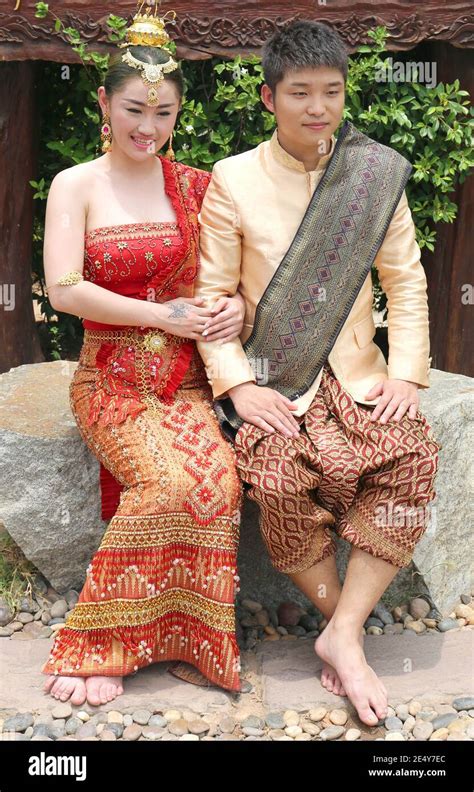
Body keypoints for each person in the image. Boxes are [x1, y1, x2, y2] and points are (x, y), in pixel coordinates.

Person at [195, 20, 441, 727]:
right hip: (276, 379)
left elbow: (407, 281)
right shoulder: (233, 180)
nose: (317, 108)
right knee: (275, 475)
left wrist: (408, 376)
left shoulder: (373, 174)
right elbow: (214, 298)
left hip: (359, 374)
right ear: (269, 98)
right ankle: (347, 630)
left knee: (414, 457)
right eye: (300, 92)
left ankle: (342, 632)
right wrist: (240, 385)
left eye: (331, 92)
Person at [41, 1, 245, 707]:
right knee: (165, 484)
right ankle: (101, 640)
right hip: (112, 383)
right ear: (103, 101)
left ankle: (186, 638)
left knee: (217, 484)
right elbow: (64, 290)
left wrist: (233, 308)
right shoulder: (76, 185)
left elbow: (241, 279)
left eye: (163, 115)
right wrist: (163, 314)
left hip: (185, 387)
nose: (147, 128)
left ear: (179, 113)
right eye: (133, 109)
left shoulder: (197, 187)